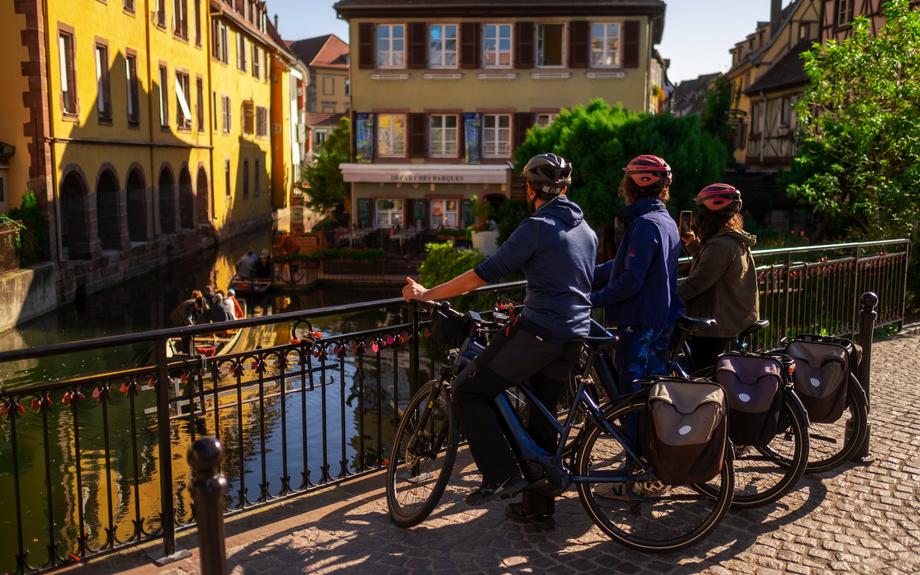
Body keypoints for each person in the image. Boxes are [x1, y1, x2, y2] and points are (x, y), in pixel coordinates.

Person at [402, 153, 597, 530]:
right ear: (564, 189)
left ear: (530, 189)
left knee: (466, 391)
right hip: (575, 334)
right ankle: (538, 509)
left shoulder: (536, 226)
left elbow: (482, 275)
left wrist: (426, 295)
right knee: (540, 418)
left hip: (540, 332)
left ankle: (501, 475)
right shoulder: (585, 229)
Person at [589, 155, 684, 498]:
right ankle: (654, 467)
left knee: (630, 402)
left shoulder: (643, 224)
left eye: (625, 183)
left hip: (638, 323)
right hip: (660, 320)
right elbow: (625, 261)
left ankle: (634, 479)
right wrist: (593, 274)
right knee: (649, 401)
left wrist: (590, 300)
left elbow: (631, 279)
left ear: (633, 185)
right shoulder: (663, 220)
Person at [677, 184, 759, 371]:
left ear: (710, 216)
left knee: (704, 376)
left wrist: (660, 294)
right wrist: (694, 244)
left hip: (716, 323)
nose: (698, 219)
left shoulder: (721, 245)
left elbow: (696, 284)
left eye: (702, 212)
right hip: (732, 315)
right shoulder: (731, 239)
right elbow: (715, 268)